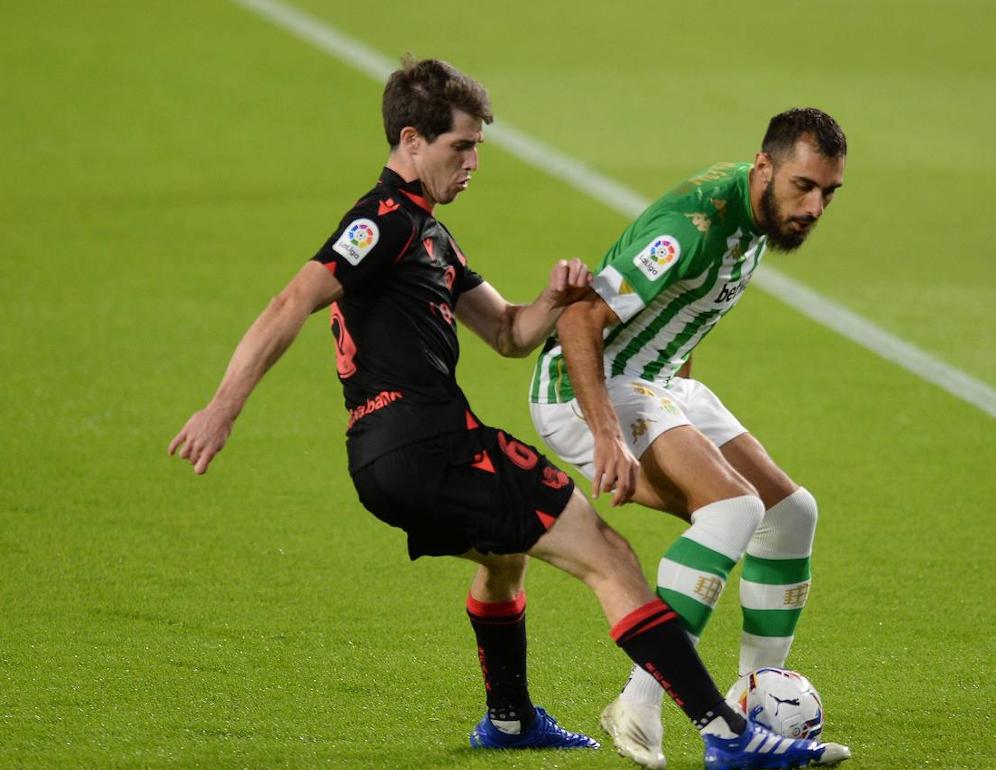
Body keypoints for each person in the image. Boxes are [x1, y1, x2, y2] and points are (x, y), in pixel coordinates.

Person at [168, 58, 849, 769]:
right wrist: (223, 407)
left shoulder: (433, 237)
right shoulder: (382, 220)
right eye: (461, 148)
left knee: (505, 558)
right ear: (410, 141)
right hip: (431, 442)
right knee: (612, 559)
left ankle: (512, 718)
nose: (472, 165)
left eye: (477, 150)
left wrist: (555, 298)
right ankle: (725, 733)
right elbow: (291, 301)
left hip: (377, 460)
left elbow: (508, 334)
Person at [528, 108, 848, 768]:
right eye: (803, 186)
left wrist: (683, 418)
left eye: (828, 192)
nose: (814, 206)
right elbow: (579, 318)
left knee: (790, 515)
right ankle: (638, 702)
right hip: (591, 387)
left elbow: (685, 312)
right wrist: (609, 436)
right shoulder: (692, 227)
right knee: (732, 510)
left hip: (658, 379)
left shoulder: (761, 215)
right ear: (764, 166)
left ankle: (755, 701)